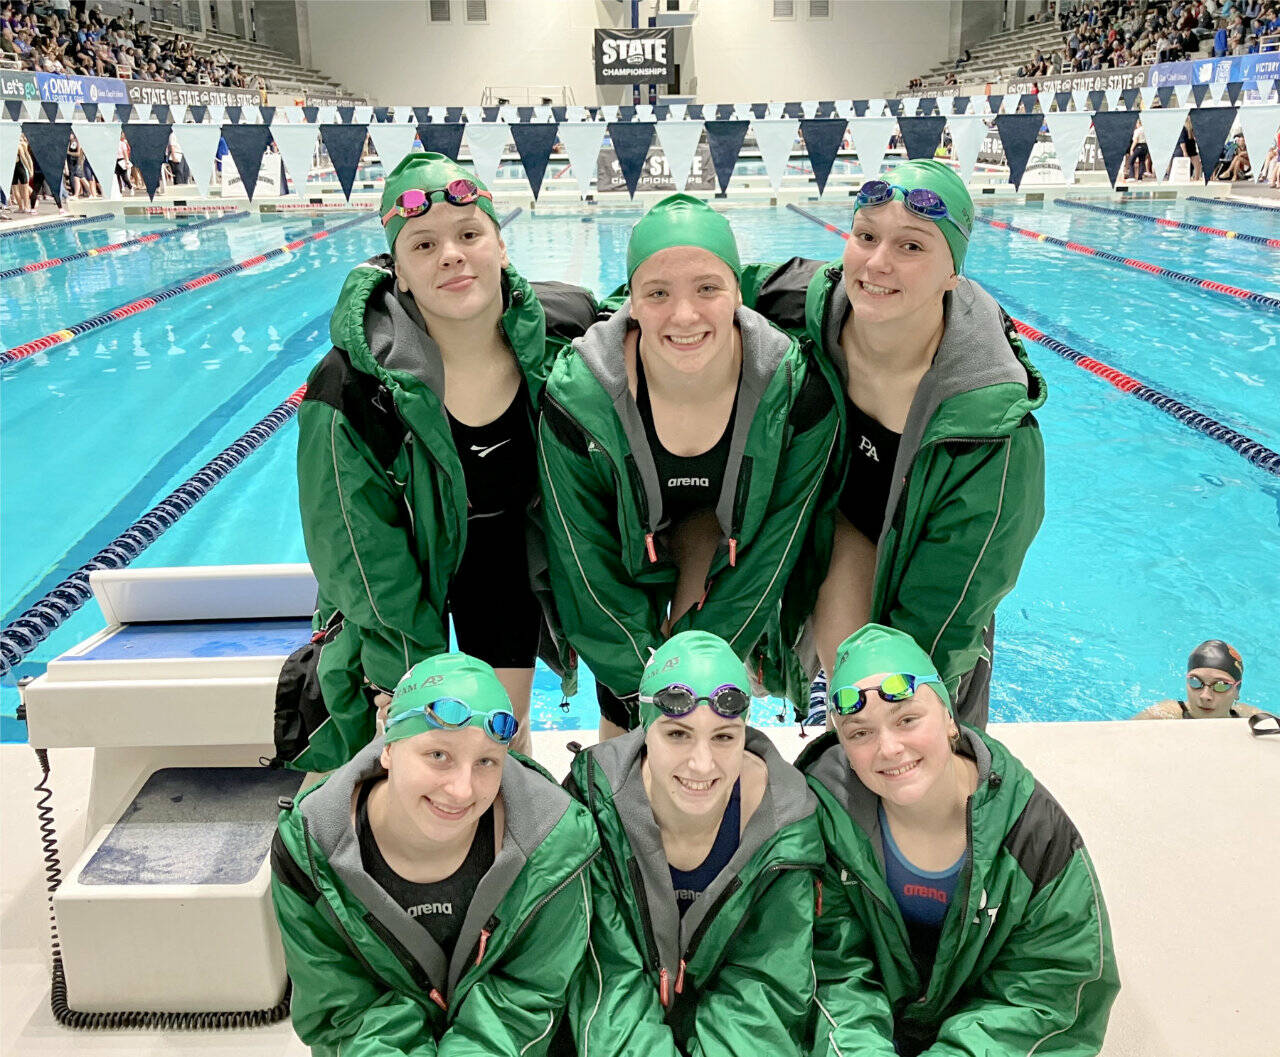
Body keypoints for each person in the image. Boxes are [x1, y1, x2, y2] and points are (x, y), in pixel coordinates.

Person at [282, 153, 598, 771]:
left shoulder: (564, 334)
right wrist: (399, 669)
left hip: (503, 557)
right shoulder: (350, 389)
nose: (451, 254)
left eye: (469, 234)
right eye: (424, 244)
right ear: (397, 273)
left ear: (501, 249)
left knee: (499, 740)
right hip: (400, 571)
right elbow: (355, 551)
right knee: (412, 743)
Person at [741, 160, 1046, 728]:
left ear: (953, 272)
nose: (877, 263)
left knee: (912, 717)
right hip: (847, 532)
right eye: (866, 237)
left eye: (911, 246)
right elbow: (697, 286)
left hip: (934, 569)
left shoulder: (990, 427)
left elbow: (952, 608)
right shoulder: (809, 301)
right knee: (851, 717)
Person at [538, 193, 842, 737]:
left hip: (728, 543)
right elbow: (584, 563)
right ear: (630, 300)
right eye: (658, 293)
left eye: (707, 288)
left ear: (737, 293)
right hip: (631, 549)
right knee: (631, 723)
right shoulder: (580, 398)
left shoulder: (795, 396)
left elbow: (772, 554)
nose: (684, 315)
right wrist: (646, 686)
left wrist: (708, 678)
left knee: (712, 715)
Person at [798, 624, 1119, 1056]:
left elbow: (1049, 991)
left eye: (907, 719)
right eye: (860, 733)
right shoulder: (824, 820)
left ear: (949, 718)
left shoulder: (1032, 835)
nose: (888, 748)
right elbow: (831, 969)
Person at [271, 652, 597, 1056]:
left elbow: (527, 997)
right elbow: (345, 1013)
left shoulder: (555, 844)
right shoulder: (309, 851)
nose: (462, 790)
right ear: (388, 747)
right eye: (438, 756)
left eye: (486, 762)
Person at [563, 631, 824, 1056]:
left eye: (723, 737)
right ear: (644, 730)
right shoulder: (595, 809)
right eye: (678, 735)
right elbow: (607, 981)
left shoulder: (785, 826)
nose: (701, 764)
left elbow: (763, 988)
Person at [1134, 639, 1261, 720]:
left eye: (1221, 685)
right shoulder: (1162, 715)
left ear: (1237, 691)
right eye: (1195, 681)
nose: (1205, 696)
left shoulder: (1249, 717)